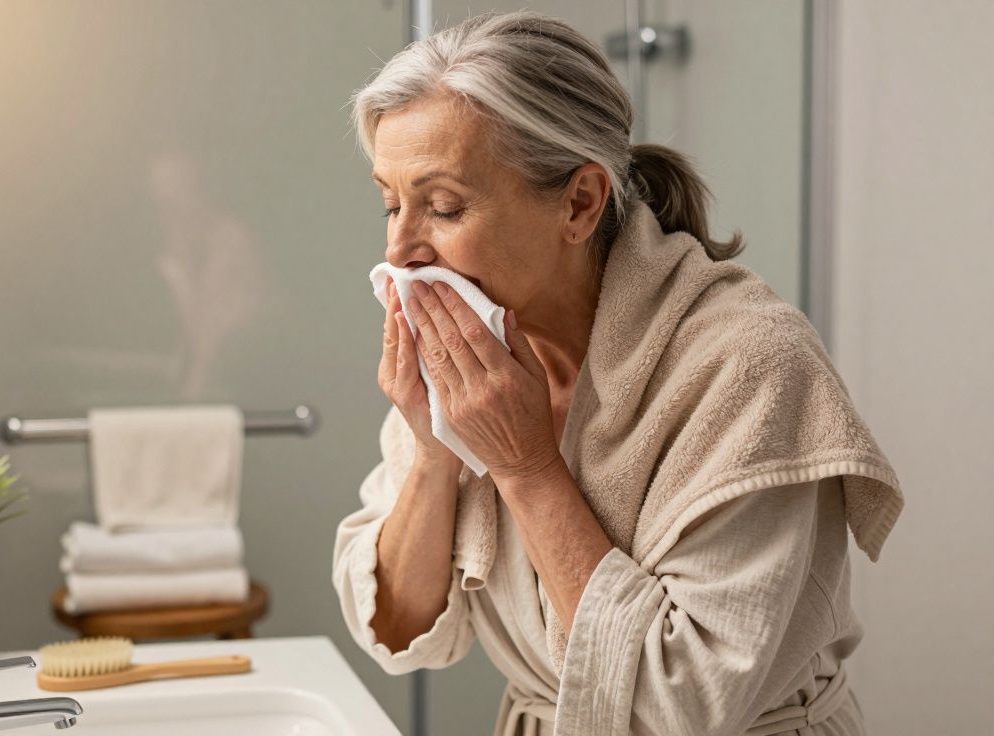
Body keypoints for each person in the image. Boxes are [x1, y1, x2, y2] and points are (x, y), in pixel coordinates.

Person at [332, 10, 903, 735]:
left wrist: (526, 466)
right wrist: (435, 449)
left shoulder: (749, 367)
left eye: (444, 207)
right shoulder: (475, 356)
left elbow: (682, 704)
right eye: (391, 203)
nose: (403, 247)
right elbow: (399, 629)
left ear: (578, 203)